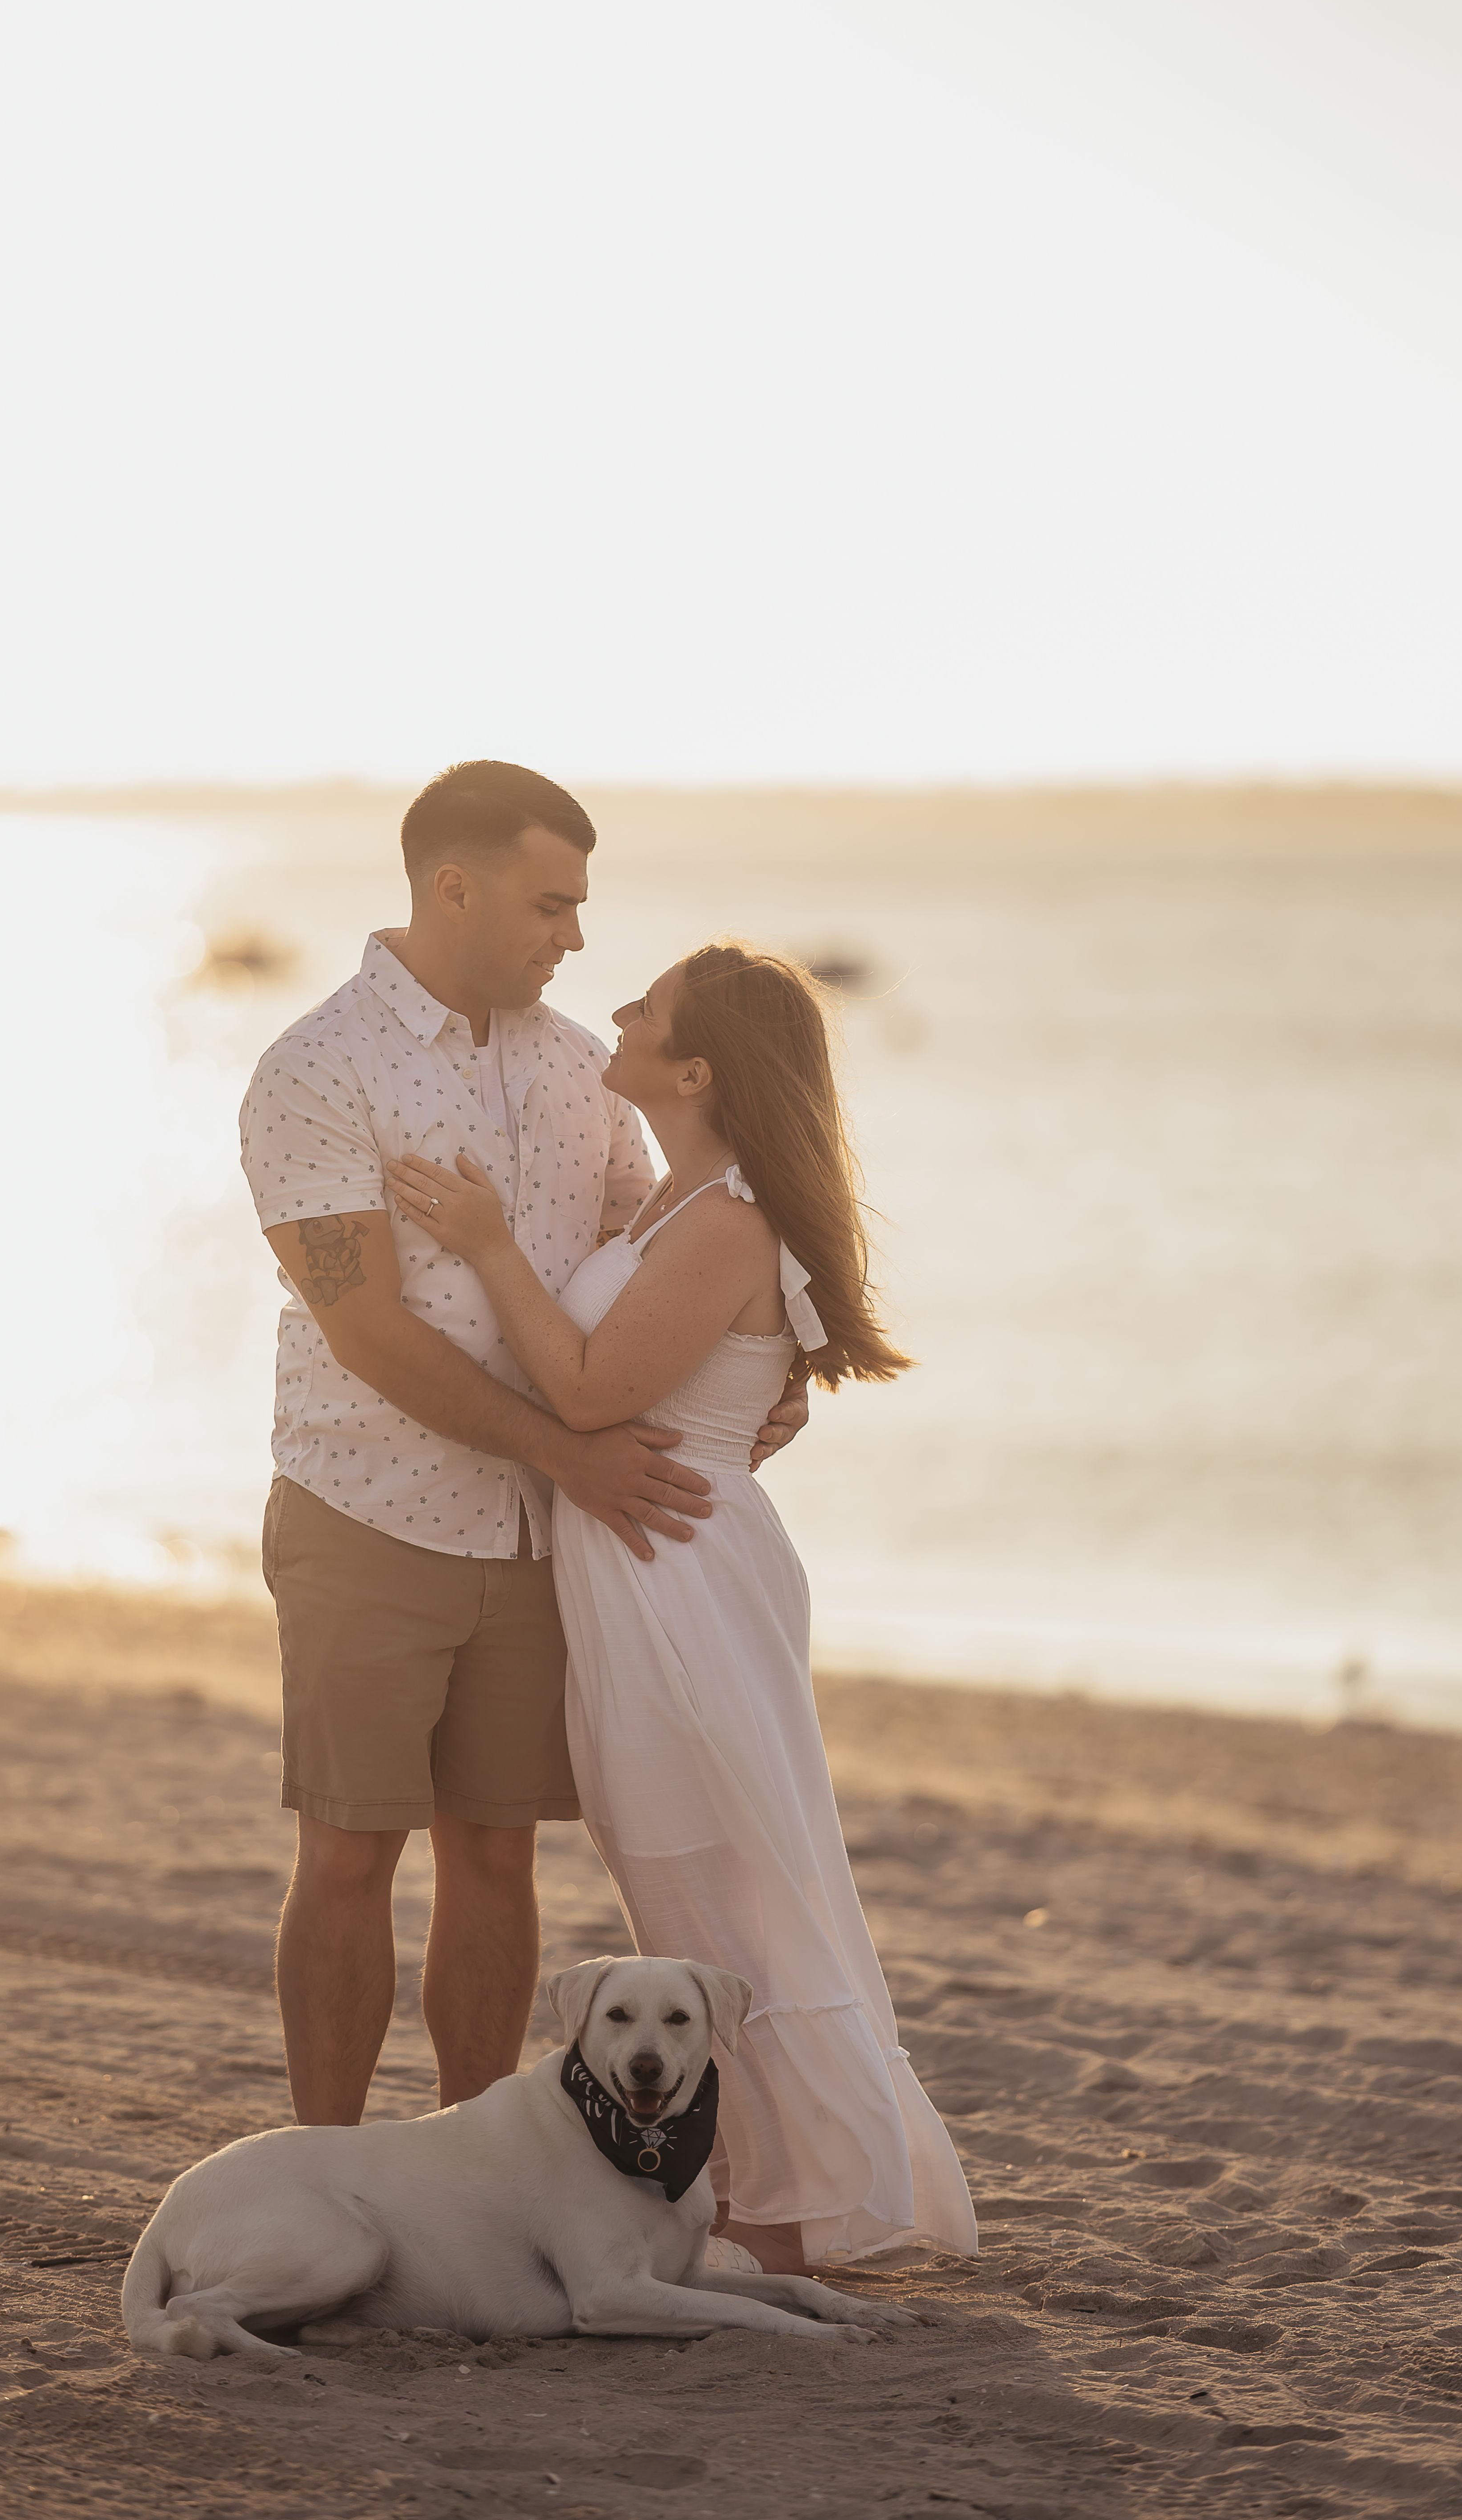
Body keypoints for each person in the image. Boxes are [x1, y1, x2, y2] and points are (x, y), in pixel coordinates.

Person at [385, 942, 978, 2273]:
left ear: (698, 1071)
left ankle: (797, 2203)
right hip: (643, 1564)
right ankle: (770, 2185)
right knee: (690, 1879)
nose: (618, 1010)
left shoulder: (725, 1220)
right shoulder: (677, 1198)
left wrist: (485, 1244)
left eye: (647, 1009)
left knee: (725, 1883)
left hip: (682, 1570)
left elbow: (592, 1392)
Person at [236, 762, 809, 2129]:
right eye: (553, 905)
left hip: (546, 1536)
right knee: (349, 1855)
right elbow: (365, 1327)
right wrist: (566, 1453)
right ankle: (327, 2165)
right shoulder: (316, 1069)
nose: (575, 937)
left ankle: (470, 2165)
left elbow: (656, 1257)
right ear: (455, 886)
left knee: (497, 1856)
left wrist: (758, 1385)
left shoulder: (576, 1069)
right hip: (369, 1511)